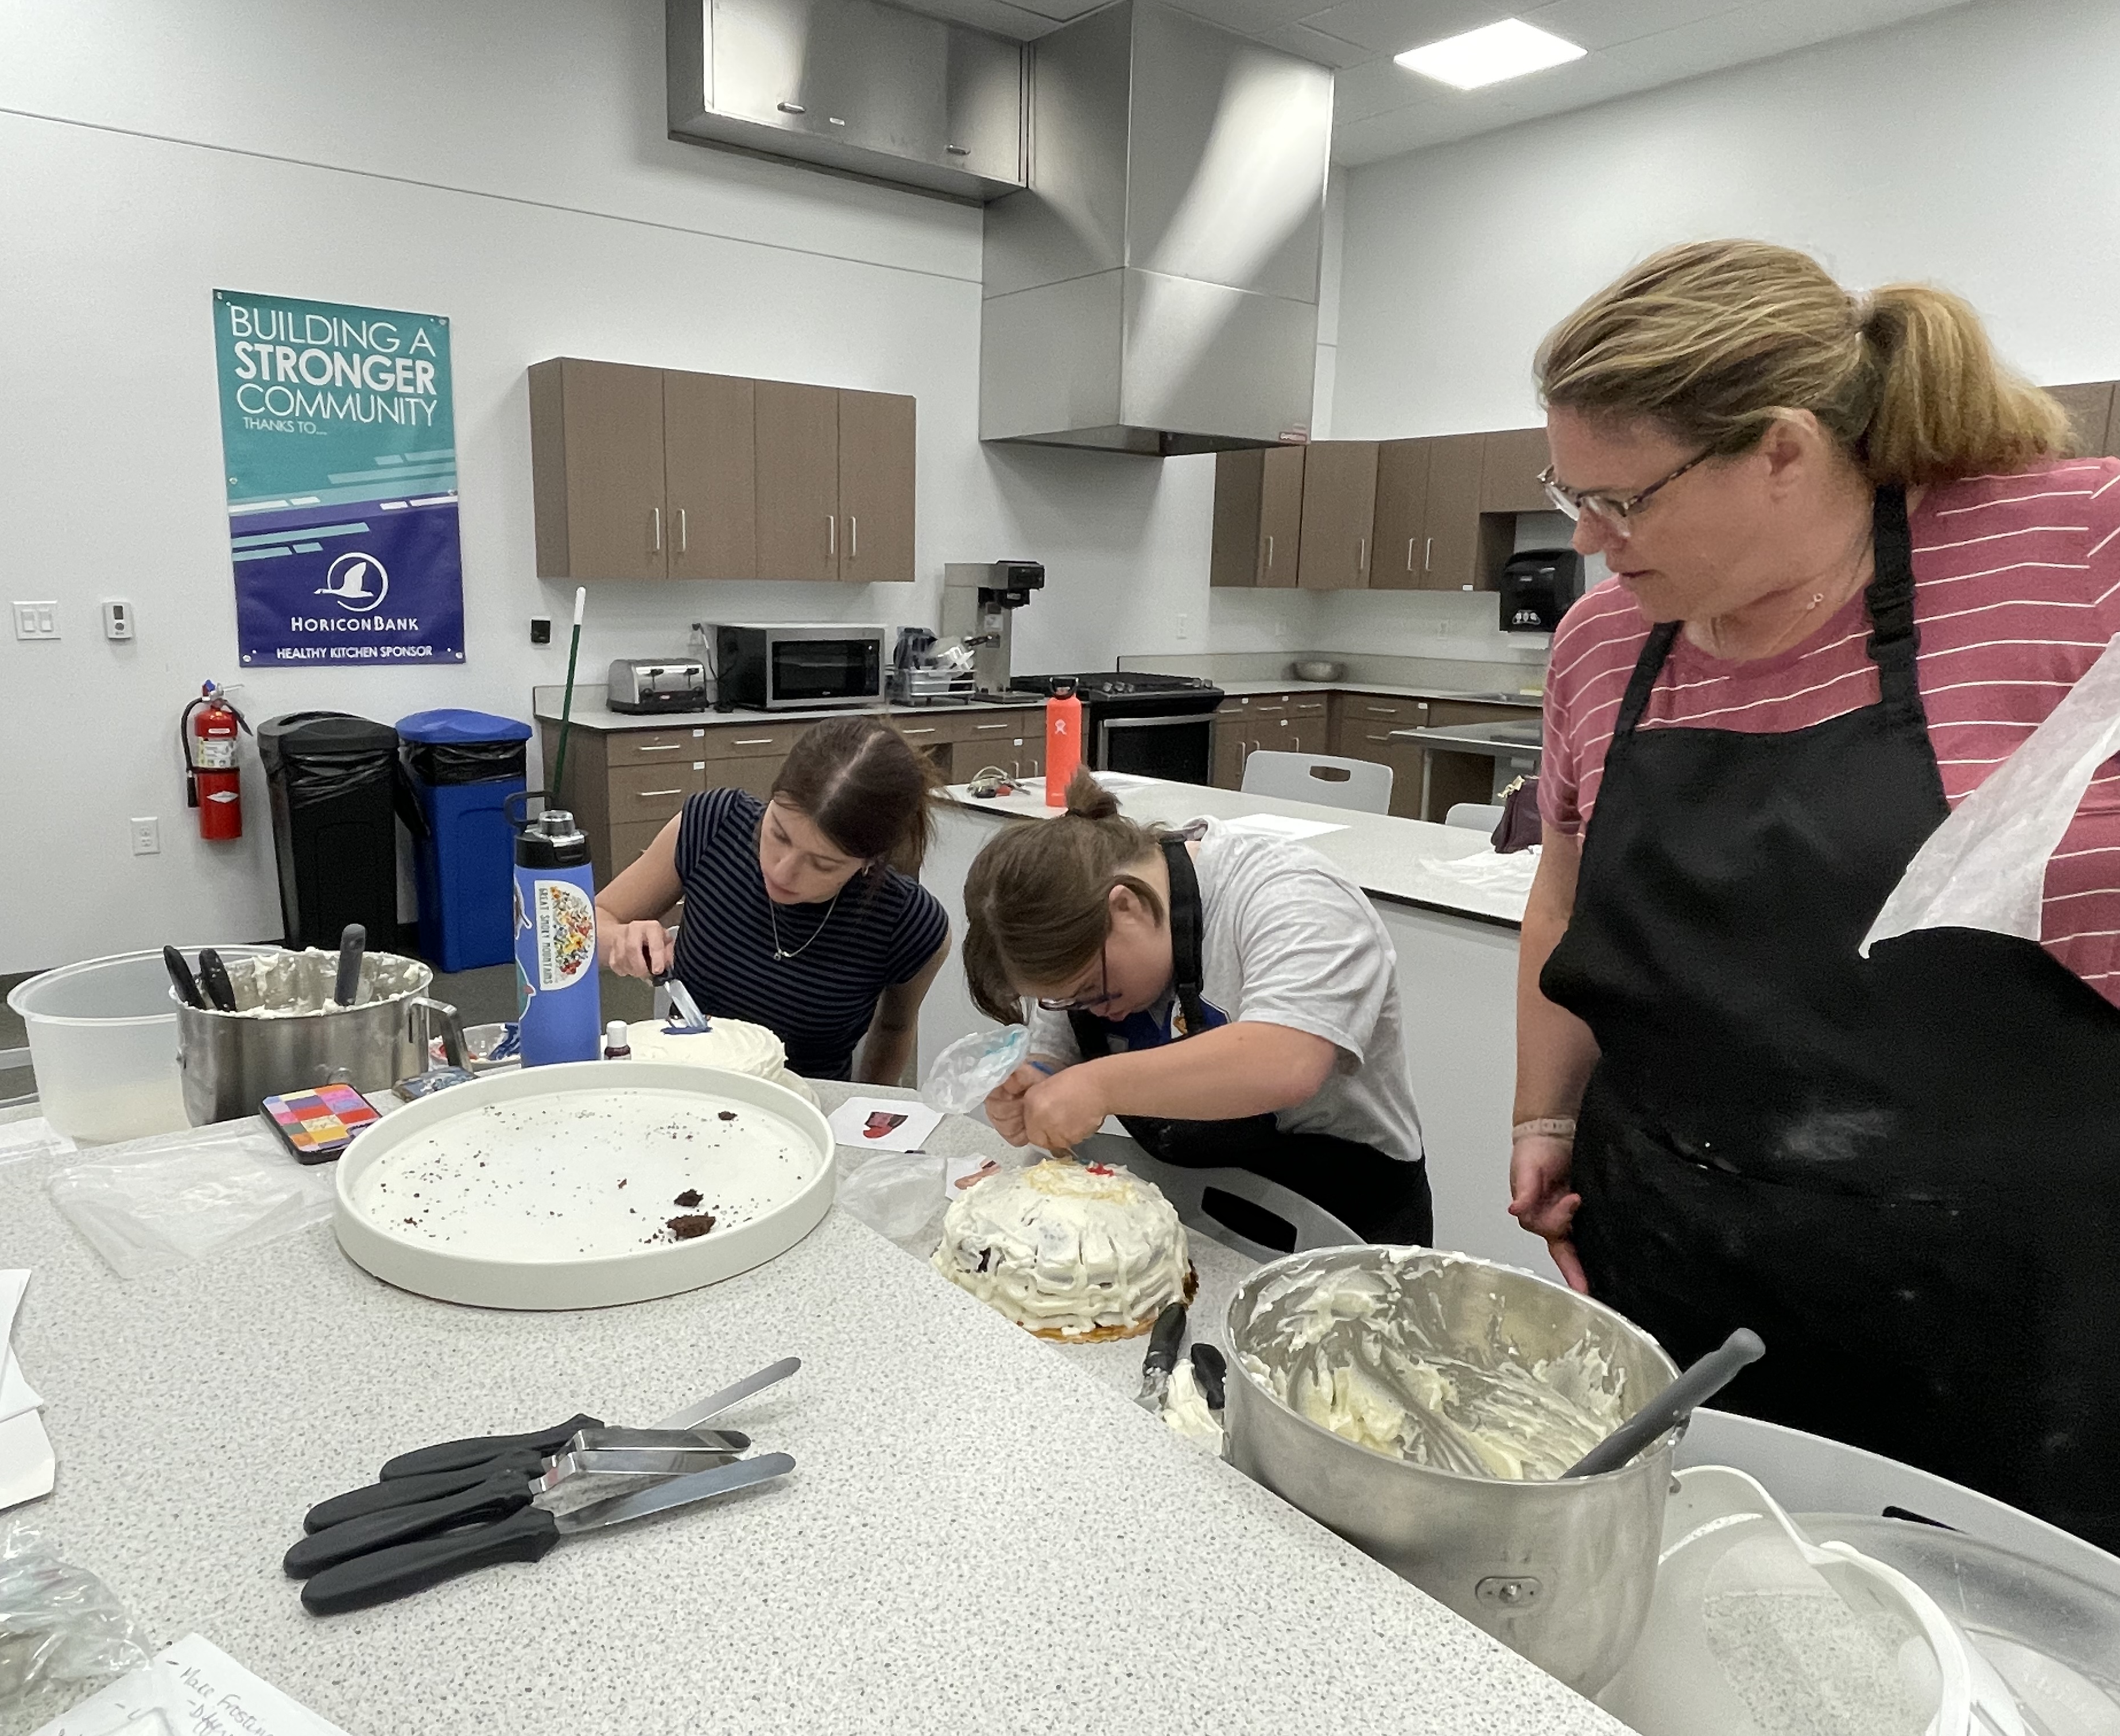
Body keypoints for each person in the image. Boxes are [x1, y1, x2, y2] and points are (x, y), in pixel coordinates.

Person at [1507, 239, 2120, 1547]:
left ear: (1781, 451)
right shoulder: (1604, 641)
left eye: (1620, 499)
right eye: (1570, 491)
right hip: (1673, 1250)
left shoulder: (2074, 549)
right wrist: (1543, 1113)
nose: (1586, 538)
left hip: (1999, 1303)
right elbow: (1563, 895)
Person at [962, 771, 1431, 1246]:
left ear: (1126, 908)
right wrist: (1039, 1082)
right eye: (1065, 999)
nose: (1094, 1011)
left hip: (1341, 1220)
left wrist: (1096, 1087)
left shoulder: (1292, 895)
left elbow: (1288, 1062)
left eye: (1092, 990)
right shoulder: (1080, 947)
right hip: (1194, 1221)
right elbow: (1060, 1052)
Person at [596, 715, 948, 1083]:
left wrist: (866, 1106)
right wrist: (619, 940)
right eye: (779, 833)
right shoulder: (713, 826)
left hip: (807, 1105)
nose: (782, 871)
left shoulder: (908, 923)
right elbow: (586, 925)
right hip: (689, 1090)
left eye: (822, 864)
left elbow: (895, 1028)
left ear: (870, 861)